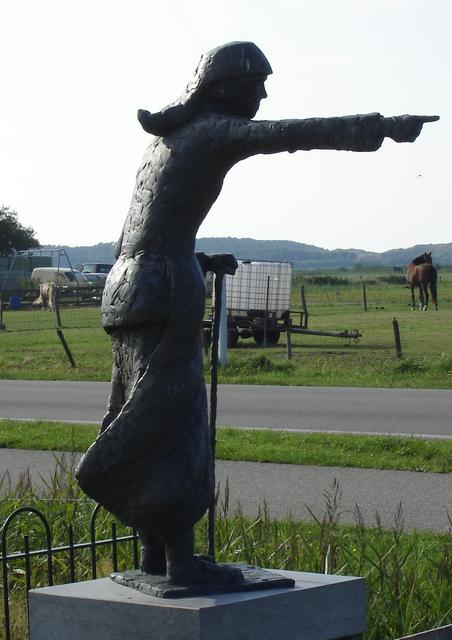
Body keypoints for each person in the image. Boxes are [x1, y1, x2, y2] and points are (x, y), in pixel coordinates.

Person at [75, 41, 438, 587]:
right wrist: (383, 127)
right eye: (258, 83)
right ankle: (181, 561)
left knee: (142, 411)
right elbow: (292, 135)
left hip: (129, 285)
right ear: (225, 87)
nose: (264, 94)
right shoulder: (213, 129)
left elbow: (141, 231)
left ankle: (152, 554)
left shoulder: (163, 145)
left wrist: (193, 256)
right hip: (165, 286)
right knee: (176, 421)